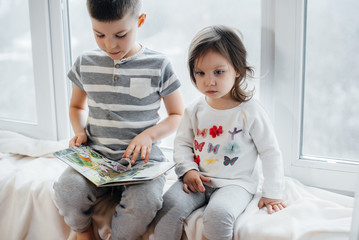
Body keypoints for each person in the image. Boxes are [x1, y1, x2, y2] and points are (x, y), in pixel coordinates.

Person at [53, 1, 184, 240]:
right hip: (97, 157)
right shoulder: (85, 63)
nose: (110, 45)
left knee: (145, 202)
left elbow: (177, 115)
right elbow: (75, 106)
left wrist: (149, 135)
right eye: (99, 34)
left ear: (140, 21)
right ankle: (82, 231)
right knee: (67, 190)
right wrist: (79, 131)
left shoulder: (159, 64)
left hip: (142, 162)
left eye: (121, 35)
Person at [153, 25, 286, 240]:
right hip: (198, 180)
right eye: (200, 73)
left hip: (236, 184)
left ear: (238, 69)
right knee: (168, 206)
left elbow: (270, 152)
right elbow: (182, 144)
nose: (209, 81)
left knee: (218, 214)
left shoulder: (250, 110)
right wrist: (188, 171)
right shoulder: (195, 109)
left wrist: (272, 193)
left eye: (218, 72)